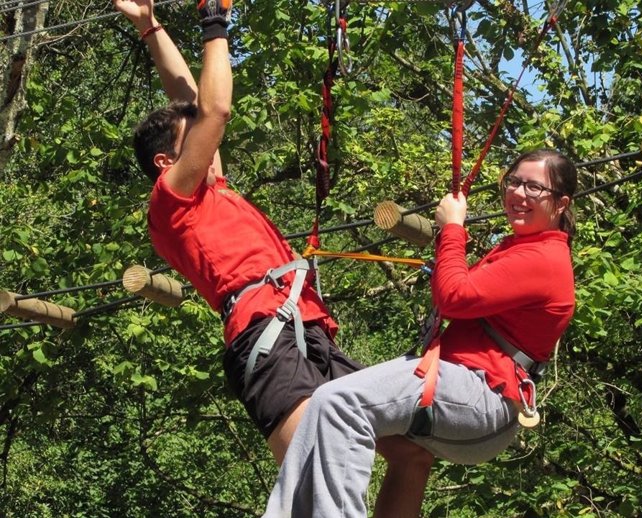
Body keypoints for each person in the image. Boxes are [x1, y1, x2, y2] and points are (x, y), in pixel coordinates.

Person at [113, 1, 433, 516]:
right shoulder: (172, 202)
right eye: (192, 140)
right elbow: (214, 109)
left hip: (310, 332)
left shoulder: (210, 191)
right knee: (318, 479)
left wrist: (149, 27)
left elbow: (192, 99)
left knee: (410, 453)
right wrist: (214, 20)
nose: (209, 144)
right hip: (264, 337)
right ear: (166, 163)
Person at [262, 148, 578, 518]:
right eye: (514, 181)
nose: (519, 194)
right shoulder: (522, 249)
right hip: (478, 403)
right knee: (408, 455)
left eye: (534, 187)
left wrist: (453, 229)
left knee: (338, 403)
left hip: (481, 393)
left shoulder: (543, 259)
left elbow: (454, 297)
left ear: (560, 203)